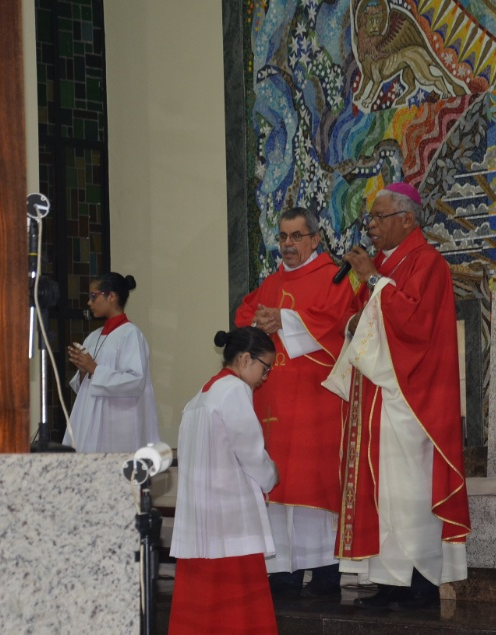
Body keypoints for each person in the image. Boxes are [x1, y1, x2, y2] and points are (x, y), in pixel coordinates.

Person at [324, 182, 470, 611]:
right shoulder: (384, 266)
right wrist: (357, 316)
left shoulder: (428, 263)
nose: (370, 226)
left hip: (413, 398)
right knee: (382, 491)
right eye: (369, 218)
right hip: (379, 394)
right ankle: (389, 581)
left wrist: (373, 278)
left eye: (378, 218)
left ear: (407, 219)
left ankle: (420, 581)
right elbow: (354, 320)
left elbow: (414, 324)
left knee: (407, 489)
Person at [235, 206, 359, 598]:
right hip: (273, 404)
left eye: (296, 237)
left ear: (315, 240)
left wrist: (286, 321)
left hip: (315, 405)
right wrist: (260, 322)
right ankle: (282, 574)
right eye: (283, 237)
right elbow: (244, 315)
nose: (288, 245)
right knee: (276, 487)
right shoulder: (270, 284)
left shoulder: (334, 279)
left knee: (314, 488)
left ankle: (324, 574)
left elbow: (342, 324)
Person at [169, 327, 279, 635]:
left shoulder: (201, 395)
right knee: (237, 616)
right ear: (245, 359)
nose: (265, 376)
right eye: (265, 367)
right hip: (230, 520)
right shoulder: (234, 391)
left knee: (201, 612)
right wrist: (272, 475)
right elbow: (251, 453)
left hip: (200, 520)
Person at [66, 272, 160, 452]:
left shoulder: (131, 335)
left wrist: (93, 368)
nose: (89, 302)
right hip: (89, 423)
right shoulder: (93, 338)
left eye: (93, 296)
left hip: (116, 426)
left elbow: (135, 381)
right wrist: (84, 372)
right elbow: (85, 390)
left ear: (111, 296)